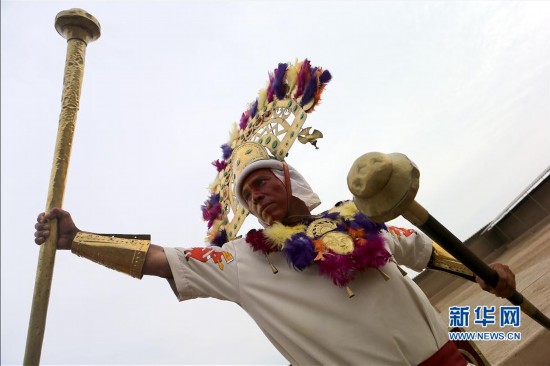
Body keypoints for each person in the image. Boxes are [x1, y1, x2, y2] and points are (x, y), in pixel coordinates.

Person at [34, 59, 516, 365]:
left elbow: (423, 248)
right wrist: (78, 240)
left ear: (290, 181)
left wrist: (482, 274)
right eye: (246, 195)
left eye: (262, 182)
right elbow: (163, 260)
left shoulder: (361, 219)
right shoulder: (245, 260)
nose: (256, 197)